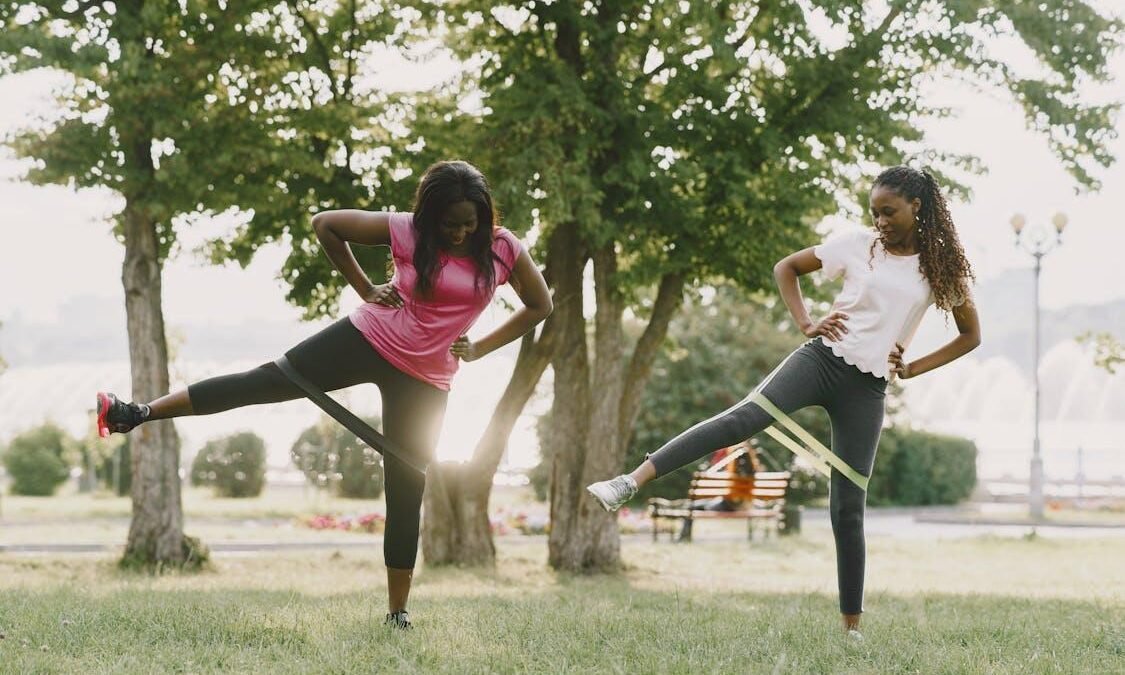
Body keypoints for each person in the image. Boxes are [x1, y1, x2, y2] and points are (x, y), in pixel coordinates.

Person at [96, 160, 553, 630]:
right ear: (430, 216)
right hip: (368, 339)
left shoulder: (502, 248)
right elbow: (327, 225)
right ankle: (137, 412)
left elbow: (540, 305)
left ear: (483, 216)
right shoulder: (407, 231)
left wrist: (479, 347)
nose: (458, 233)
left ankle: (397, 613)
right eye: (449, 224)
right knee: (267, 381)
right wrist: (366, 288)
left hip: (428, 377)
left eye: (468, 224)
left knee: (405, 488)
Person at [587, 165, 980, 639]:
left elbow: (970, 335)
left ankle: (851, 630)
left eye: (889, 212)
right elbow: (787, 268)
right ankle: (629, 481)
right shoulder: (858, 244)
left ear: (918, 206)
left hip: (869, 386)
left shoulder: (940, 268)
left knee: (848, 505)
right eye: (875, 212)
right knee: (741, 420)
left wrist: (914, 367)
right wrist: (806, 321)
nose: (880, 221)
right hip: (822, 360)